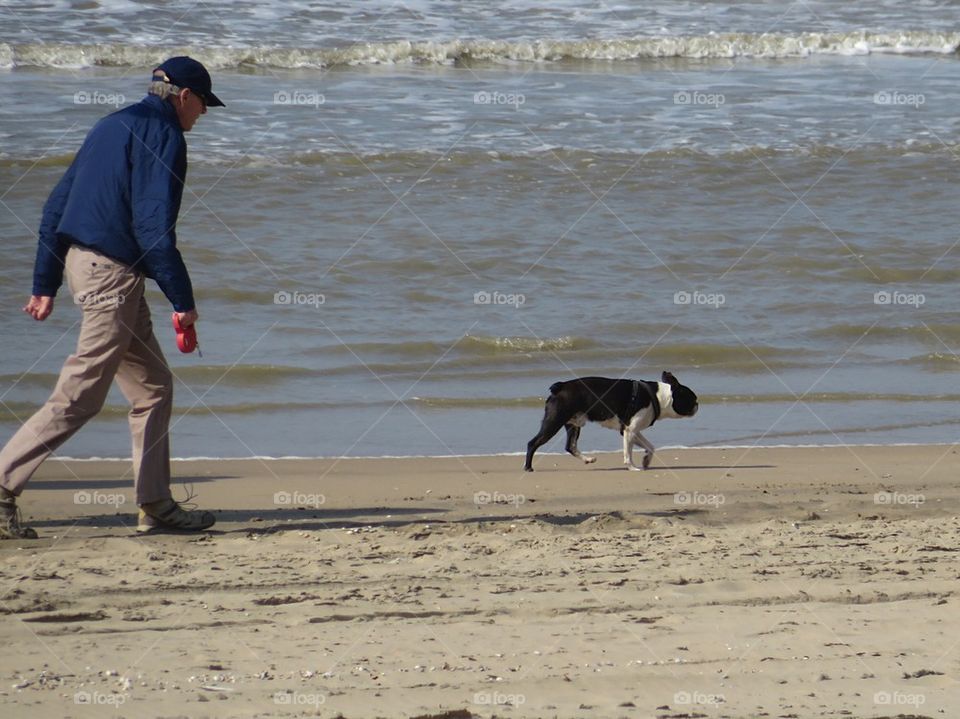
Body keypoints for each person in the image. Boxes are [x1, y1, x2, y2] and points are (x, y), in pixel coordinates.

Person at [0, 57, 225, 538]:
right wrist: (183, 301)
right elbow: (153, 228)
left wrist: (45, 283)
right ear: (185, 96)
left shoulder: (111, 124)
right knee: (80, 394)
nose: (204, 114)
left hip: (89, 267)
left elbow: (55, 206)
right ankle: (1, 485)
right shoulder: (165, 135)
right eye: (204, 103)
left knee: (153, 388)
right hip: (112, 278)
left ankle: (157, 502)